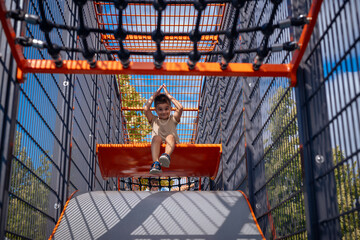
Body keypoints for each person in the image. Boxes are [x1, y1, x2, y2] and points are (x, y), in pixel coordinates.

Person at [144, 84, 183, 174]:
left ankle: (166, 155)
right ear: (156, 111)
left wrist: (168, 95)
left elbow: (180, 108)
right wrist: (155, 95)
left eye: (166, 109)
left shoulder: (173, 119)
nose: (163, 112)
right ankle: (156, 163)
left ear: (171, 109)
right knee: (156, 137)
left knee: (170, 136)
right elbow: (146, 109)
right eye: (160, 109)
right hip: (157, 146)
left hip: (172, 146)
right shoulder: (154, 120)